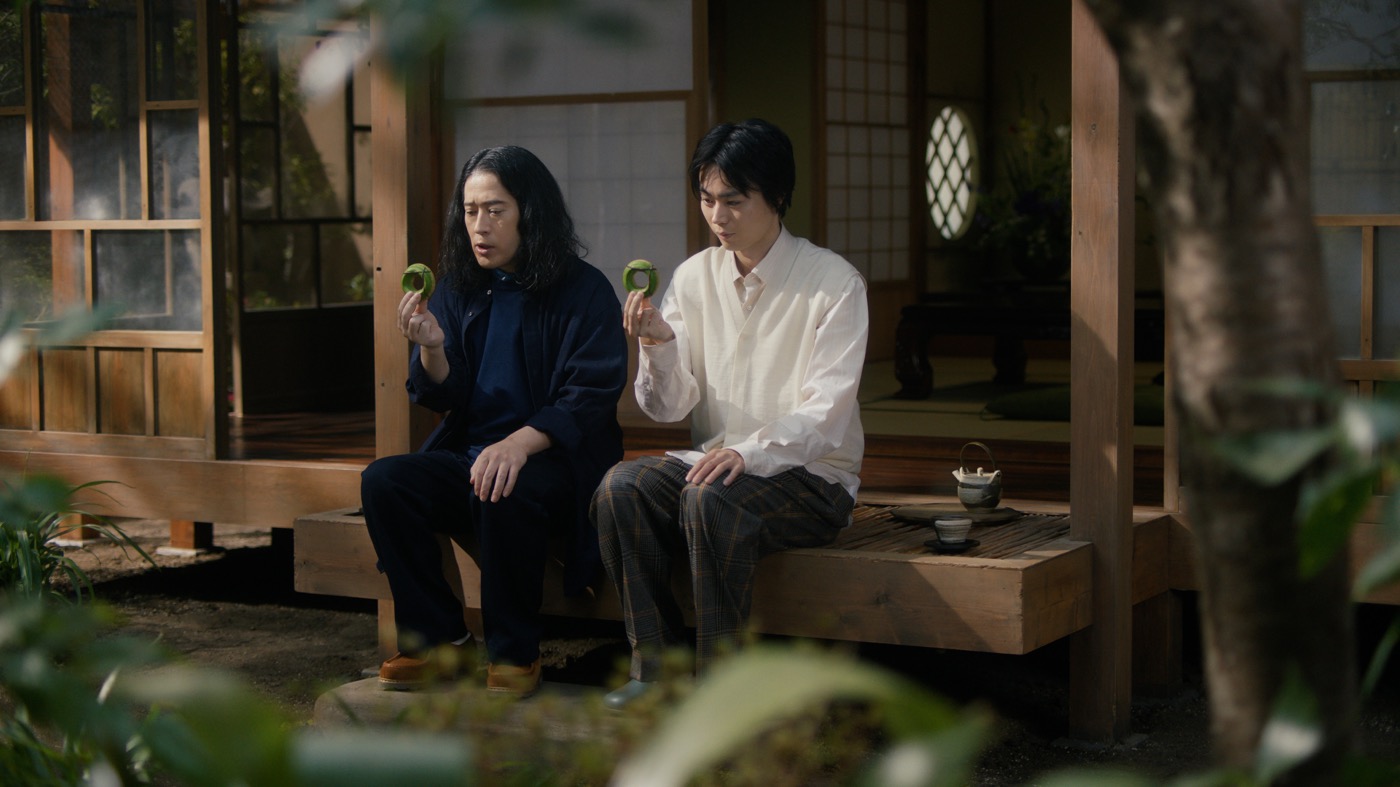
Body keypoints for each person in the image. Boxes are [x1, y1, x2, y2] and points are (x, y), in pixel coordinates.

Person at [590, 119, 868, 710]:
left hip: (814, 480)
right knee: (620, 488)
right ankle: (656, 669)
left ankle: (723, 692)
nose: (718, 216)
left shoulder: (834, 283)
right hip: (714, 467)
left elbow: (825, 414)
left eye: (734, 201)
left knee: (709, 499)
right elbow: (667, 408)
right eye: (707, 199)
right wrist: (659, 342)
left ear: (778, 196)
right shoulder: (694, 276)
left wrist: (748, 452)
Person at [361, 145, 627, 696]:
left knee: (504, 485)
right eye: (470, 211)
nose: (479, 226)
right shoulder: (460, 286)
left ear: (530, 211)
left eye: (495, 210)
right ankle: (441, 642)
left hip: (559, 462)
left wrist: (519, 444)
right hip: (474, 453)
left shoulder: (585, 289)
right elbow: (444, 394)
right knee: (385, 481)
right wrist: (432, 347)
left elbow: (590, 394)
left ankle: (514, 653)